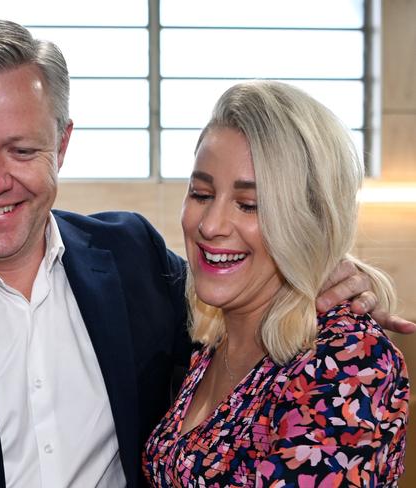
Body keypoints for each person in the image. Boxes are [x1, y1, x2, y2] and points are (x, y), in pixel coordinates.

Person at [0, 21, 409, 488]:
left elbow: (255, 286)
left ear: (63, 144)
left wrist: (328, 273)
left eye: (22, 150)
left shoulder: (131, 258)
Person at [142, 81, 409, 487]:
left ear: (307, 219)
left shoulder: (347, 361)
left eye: (249, 205)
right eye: (200, 193)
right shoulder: (212, 345)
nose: (210, 225)